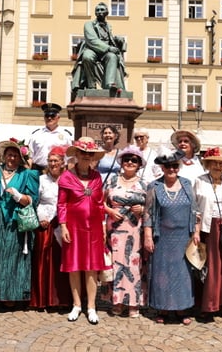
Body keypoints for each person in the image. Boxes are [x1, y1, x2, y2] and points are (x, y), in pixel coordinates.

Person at [0, 139, 40, 306]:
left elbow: (32, 200)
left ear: (21, 158)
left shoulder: (27, 174)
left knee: (16, 255)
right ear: (4, 155)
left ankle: (15, 294)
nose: (12, 158)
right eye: (9, 155)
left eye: (15, 155)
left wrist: (19, 196)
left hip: (17, 219)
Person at [57, 137, 109, 324]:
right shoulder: (66, 177)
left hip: (93, 228)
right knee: (74, 267)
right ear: (77, 154)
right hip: (73, 227)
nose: (87, 156)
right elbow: (61, 203)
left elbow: (100, 203)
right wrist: (63, 225)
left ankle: (92, 307)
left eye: (90, 154)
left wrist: (103, 226)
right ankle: (77, 304)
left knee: (91, 268)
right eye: (83, 153)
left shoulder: (97, 177)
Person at [143, 148, 198, 325]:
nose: (172, 169)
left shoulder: (187, 184)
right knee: (162, 274)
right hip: (163, 237)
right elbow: (148, 213)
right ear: (162, 168)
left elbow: (195, 210)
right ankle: (163, 308)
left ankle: (182, 309)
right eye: (168, 166)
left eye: (175, 165)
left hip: (183, 236)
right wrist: (148, 236)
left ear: (179, 166)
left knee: (183, 274)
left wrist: (196, 232)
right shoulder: (154, 186)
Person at [192, 147, 222, 324]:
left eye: (221, 163)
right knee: (209, 268)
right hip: (207, 228)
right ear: (208, 164)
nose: (218, 166)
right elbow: (195, 208)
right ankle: (208, 305)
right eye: (214, 162)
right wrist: (196, 230)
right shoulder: (199, 181)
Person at [104, 145, 148, 318]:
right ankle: (117, 301)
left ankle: (133, 302)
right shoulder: (111, 180)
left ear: (139, 164)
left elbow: (151, 208)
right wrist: (110, 211)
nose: (130, 162)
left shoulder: (144, 184)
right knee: (117, 264)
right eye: (127, 159)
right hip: (115, 228)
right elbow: (101, 202)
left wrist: (142, 209)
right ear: (121, 162)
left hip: (135, 229)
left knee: (134, 265)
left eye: (134, 160)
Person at [29, 146, 72, 309]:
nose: (53, 164)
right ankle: (43, 299)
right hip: (45, 224)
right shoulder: (41, 180)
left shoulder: (68, 178)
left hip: (64, 224)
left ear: (63, 162)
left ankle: (62, 299)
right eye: (50, 161)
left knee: (62, 261)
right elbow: (36, 201)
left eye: (56, 161)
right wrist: (41, 218)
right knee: (44, 260)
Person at [71, 2, 127, 97]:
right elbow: (92, 40)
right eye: (97, 10)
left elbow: (109, 39)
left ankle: (109, 84)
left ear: (107, 12)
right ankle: (91, 85)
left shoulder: (108, 26)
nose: (99, 12)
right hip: (92, 48)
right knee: (87, 57)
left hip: (106, 52)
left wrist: (118, 40)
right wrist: (108, 48)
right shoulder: (88, 24)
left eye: (102, 10)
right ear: (95, 13)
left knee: (112, 57)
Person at [27, 103, 72, 172]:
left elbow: (69, 158)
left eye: (52, 115)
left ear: (58, 118)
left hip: (58, 172)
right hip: (38, 171)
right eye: (47, 115)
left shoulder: (66, 135)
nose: (49, 118)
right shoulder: (36, 135)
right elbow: (29, 156)